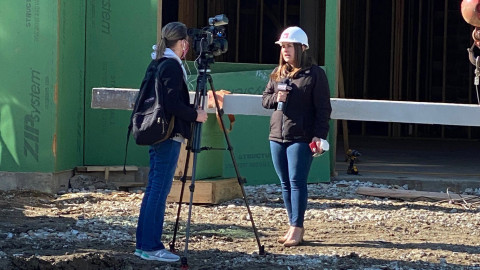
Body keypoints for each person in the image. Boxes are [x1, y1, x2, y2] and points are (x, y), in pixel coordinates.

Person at [134, 22, 208, 262]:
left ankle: (144, 244)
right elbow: (171, 103)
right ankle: (151, 246)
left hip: (157, 134)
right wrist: (194, 114)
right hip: (168, 134)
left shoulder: (157, 62)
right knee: (159, 189)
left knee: (154, 188)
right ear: (183, 43)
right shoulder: (172, 67)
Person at [262, 26, 332, 247]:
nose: (285, 50)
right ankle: (292, 224)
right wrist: (277, 98)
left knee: (297, 182)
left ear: (302, 48)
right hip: (277, 135)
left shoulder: (315, 74)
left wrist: (320, 136)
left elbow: (323, 109)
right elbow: (265, 100)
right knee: (284, 183)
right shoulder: (277, 73)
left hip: (301, 137)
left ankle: (297, 227)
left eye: (289, 46)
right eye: (283, 47)